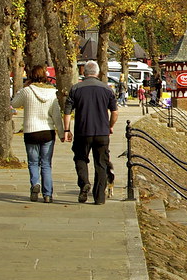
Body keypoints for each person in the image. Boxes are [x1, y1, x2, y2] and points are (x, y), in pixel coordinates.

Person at [63, 60, 118, 205]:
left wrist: (67, 129)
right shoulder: (107, 89)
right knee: (101, 163)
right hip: (102, 132)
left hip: (83, 131)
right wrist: (110, 125)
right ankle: (99, 197)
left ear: (83, 72)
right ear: (98, 73)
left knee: (80, 158)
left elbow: (67, 111)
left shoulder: (76, 89)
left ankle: (84, 183)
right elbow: (115, 112)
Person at [10, 65, 64, 203]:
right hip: (47, 131)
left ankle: (35, 184)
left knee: (33, 162)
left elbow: (14, 103)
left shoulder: (27, 91)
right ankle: (47, 194)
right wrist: (62, 132)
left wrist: (22, 87)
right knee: (46, 163)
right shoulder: (52, 93)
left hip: (31, 131)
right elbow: (56, 115)